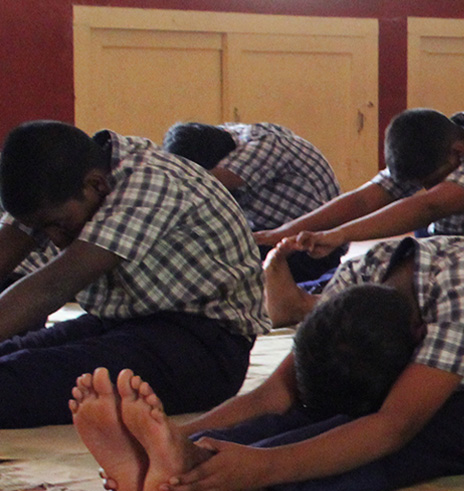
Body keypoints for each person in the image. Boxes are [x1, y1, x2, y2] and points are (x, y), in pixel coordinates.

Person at [74, 236, 464, 491]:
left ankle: (205, 477)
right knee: (327, 405)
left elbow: (393, 424)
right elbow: (280, 390)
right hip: (433, 367)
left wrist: (264, 467)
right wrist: (174, 432)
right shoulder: (358, 277)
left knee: (411, 440)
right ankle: (169, 461)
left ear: (417, 338)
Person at [0, 121, 268, 429]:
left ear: (97, 185)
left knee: (14, 384)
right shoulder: (63, 185)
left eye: (58, 225)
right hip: (123, 325)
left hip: (203, 348)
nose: (56, 239)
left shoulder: (151, 180)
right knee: (9, 358)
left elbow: (53, 286)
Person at [256, 108, 464, 263]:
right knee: (379, 262)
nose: (425, 188)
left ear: (458, 155)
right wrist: (283, 232)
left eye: (431, 182)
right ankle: (313, 300)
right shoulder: (433, 148)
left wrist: (341, 234)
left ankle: (308, 304)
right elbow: (365, 200)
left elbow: (430, 205)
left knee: (411, 281)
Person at [164, 121, 344, 283]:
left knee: (210, 265)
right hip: (274, 233)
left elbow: (194, 185)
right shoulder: (220, 140)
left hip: (314, 247)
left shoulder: (262, 148)